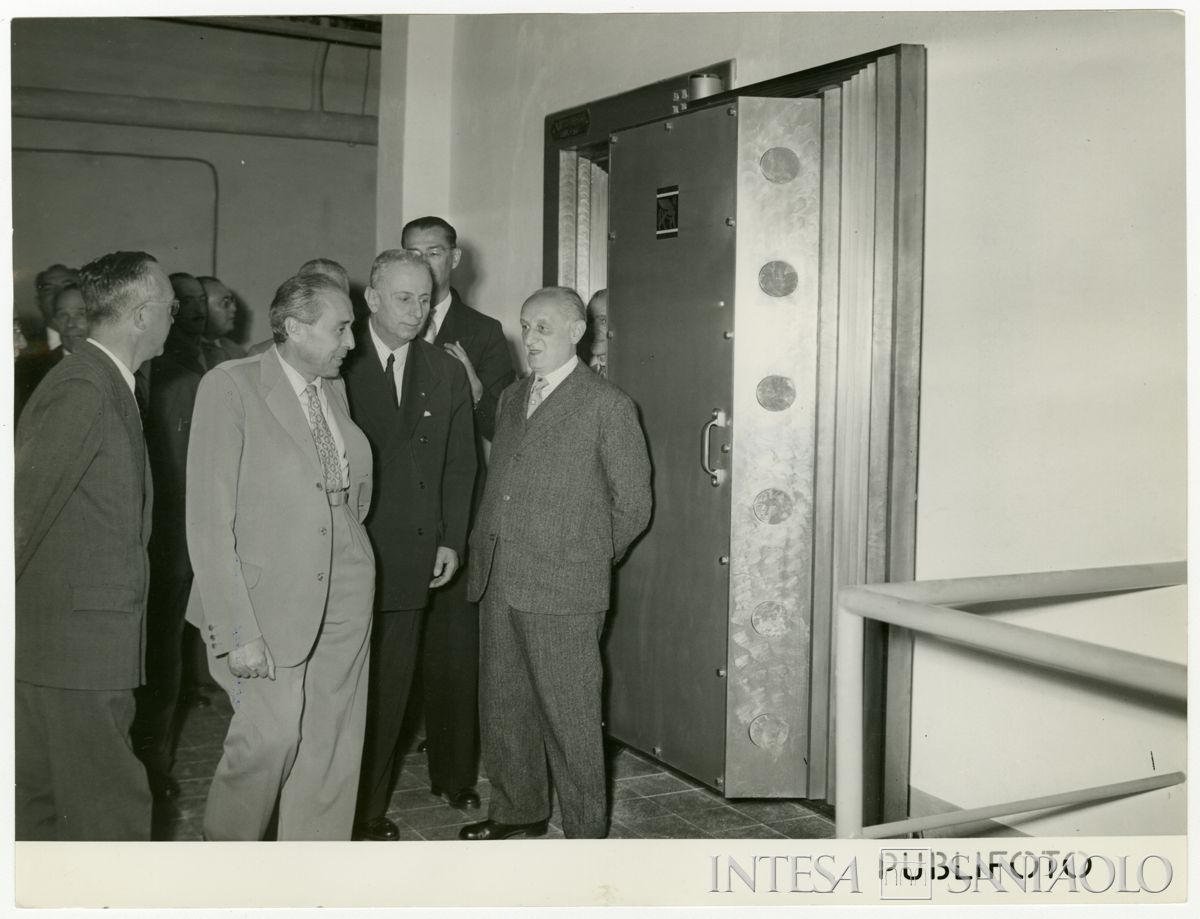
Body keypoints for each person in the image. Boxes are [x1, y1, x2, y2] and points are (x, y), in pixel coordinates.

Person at [185, 273, 375, 841]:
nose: (352, 342)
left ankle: (312, 873)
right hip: (266, 594)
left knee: (332, 741)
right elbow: (209, 520)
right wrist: (236, 628)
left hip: (346, 575)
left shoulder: (331, 387)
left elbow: (348, 487)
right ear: (294, 327)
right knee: (268, 739)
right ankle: (227, 867)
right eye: (340, 329)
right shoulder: (230, 385)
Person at [460, 285, 651, 840]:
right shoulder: (512, 397)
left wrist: (584, 556)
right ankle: (518, 810)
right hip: (500, 576)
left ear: (577, 331)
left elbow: (633, 505)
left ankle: (585, 832)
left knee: (570, 715)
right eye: (526, 326)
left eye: (543, 327)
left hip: (565, 584)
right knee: (504, 705)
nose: (531, 338)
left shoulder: (607, 405)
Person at [15, 250, 176, 840]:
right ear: (141, 314)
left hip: (70, 641)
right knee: (108, 814)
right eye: (169, 305)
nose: (174, 316)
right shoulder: (86, 386)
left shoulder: (103, 381)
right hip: (75, 647)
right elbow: (20, 512)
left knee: (45, 809)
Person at [343, 249, 477, 840]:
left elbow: (460, 464)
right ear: (371, 299)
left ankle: (368, 811)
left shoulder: (444, 370)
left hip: (412, 555)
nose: (416, 311)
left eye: (425, 299)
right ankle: (329, 807)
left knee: (391, 688)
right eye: (403, 298)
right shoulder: (338, 361)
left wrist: (451, 538)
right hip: (346, 551)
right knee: (342, 690)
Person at [401, 216, 515, 806]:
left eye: (434, 252)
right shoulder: (384, 325)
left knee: (453, 645)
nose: (424, 262)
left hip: (457, 504)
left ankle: (453, 775)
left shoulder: (484, 332)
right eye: (412, 252)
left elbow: (505, 424)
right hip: (395, 506)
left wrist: (474, 391)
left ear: (455, 258)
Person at [131, 272, 211, 803]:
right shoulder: (102, 379)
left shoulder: (184, 383)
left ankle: (153, 765)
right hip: (117, 551)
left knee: (161, 658)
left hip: (168, 547)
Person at [15, 282, 90, 419]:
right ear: (54, 320)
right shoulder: (31, 374)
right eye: (63, 315)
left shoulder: (118, 363)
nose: (70, 324)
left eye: (81, 314)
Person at [197, 275, 245, 365]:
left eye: (232, 301)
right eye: (225, 303)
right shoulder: (180, 352)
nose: (234, 308)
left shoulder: (236, 351)